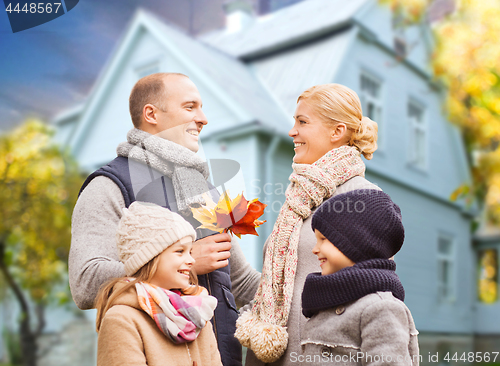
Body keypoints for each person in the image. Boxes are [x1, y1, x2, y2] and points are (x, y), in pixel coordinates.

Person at [69, 73, 260, 366]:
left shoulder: (204, 189)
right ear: (151, 114)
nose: (204, 118)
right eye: (190, 107)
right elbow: (85, 282)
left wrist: (321, 290)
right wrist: (184, 262)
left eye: (202, 107)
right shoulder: (109, 185)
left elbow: (242, 283)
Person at [235, 83, 380, 365]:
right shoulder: (300, 198)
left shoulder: (365, 199)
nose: (292, 132)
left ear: (337, 132)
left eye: (302, 122)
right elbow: (279, 292)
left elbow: (376, 298)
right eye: (294, 122)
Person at [299, 190, 419, 365]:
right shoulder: (327, 302)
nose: (315, 249)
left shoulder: (380, 307)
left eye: (323, 239)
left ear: (356, 243)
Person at [96, 201, 222, 366]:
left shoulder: (197, 314)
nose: (191, 260)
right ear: (150, 258)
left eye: (190, 252)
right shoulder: (121, 320)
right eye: (180, 251)